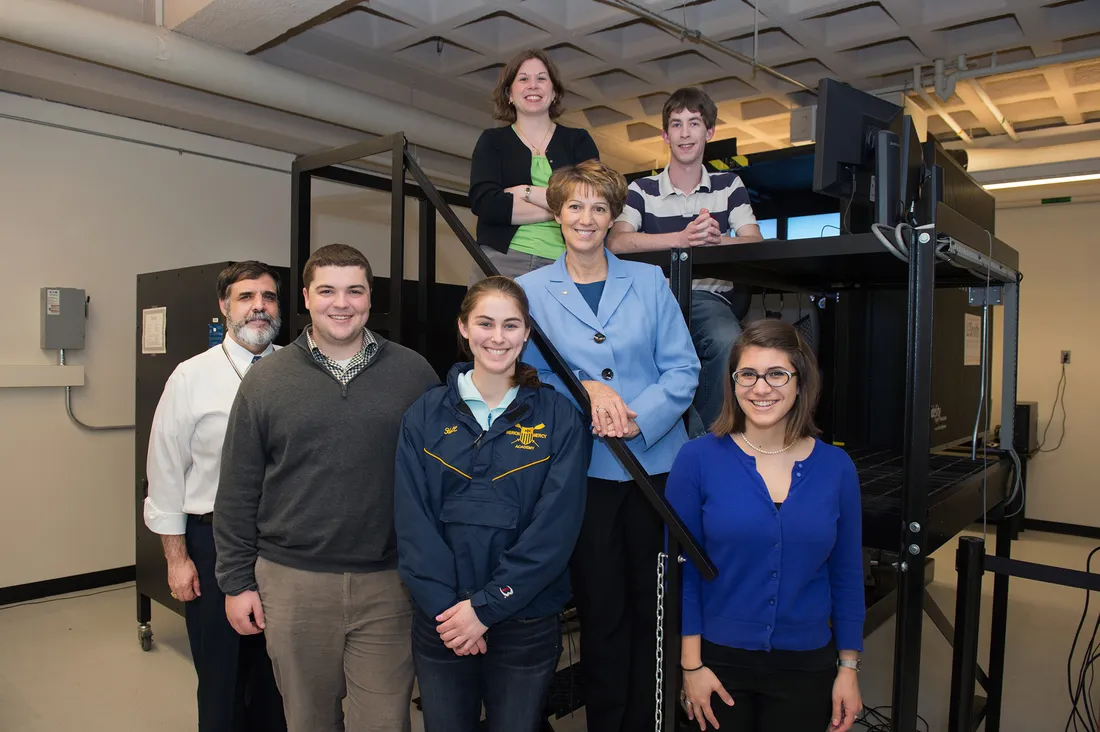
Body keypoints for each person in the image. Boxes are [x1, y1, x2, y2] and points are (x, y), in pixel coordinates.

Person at [213, 244, 440, 732]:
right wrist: (236, 583)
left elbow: (438, 481)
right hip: (293, 583)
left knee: (384, 720)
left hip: (391, 583)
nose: (342, 303)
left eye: (354, 290)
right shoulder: (266, 381)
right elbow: (236, 489)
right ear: (306, 298)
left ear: (370, 298)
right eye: (328, 290)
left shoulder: (414, 374)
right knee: (308, 720)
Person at [516, 159, 701, 732]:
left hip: (655, 468)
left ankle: (651, 721)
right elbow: (527, 375)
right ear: (556, 213)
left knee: (655, 611)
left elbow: (683, 368)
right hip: (583, 473)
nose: (587, 218)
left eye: (599, 207)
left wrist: (636, 418)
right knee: (600, 612)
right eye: (575, 206)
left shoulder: (649, 281)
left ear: (614, 215)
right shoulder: (528, 291)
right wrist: (589, 389)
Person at [394, 276, 590, 732]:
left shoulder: (558, 416)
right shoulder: (424, 414)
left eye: (510, 325)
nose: (497, 337)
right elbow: (412, 522)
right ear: (464, 327)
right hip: (442, 619)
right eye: (485, 323)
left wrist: (486, 607)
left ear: (526, 333)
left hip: (526, 618)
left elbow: (555, 528)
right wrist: (452, 610)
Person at [665, 319, 864, 732]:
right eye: (748, 375)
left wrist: (848, 668)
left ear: (800, 382)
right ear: (733, 383)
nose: (761, 388)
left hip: (807, 665)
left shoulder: (836, 468)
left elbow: (846, 575)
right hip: (717, 665)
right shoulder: (696, 460)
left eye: (777, 374)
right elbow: (682, 574)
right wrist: (691, 665)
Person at [144, 260, 287, 732]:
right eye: (246, 297)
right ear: (224, 307)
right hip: (211, 545)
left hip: (285, 546)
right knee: (222, 676)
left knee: (278, 677)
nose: (259, 307)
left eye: (267, 297)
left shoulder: (297, 372)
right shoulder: (191, 377)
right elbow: (165, 472)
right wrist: (176, 558)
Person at [606, 86, 763, 432]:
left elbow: (752, 240)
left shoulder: (728, 185)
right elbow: (616, 242)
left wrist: (714, 239)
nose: (685, 133)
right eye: (676, 125)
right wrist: (680, 240)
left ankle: (704, 440)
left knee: (727, 341)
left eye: (694, 123)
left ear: (709, 132)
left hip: (707, 297)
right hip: (654, 298)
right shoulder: (641, 190)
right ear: (665, 135)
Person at [468, 48, 600, 284]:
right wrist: (563, 207)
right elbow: (486, 204)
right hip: (500, 260)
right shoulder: (492, 141)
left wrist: (525, 192)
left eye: (541, 78)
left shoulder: (578, 141)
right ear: (509, 94)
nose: (533, 85)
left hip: (566, 263)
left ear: (554, 93)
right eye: (523, 79)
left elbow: (592, 200)